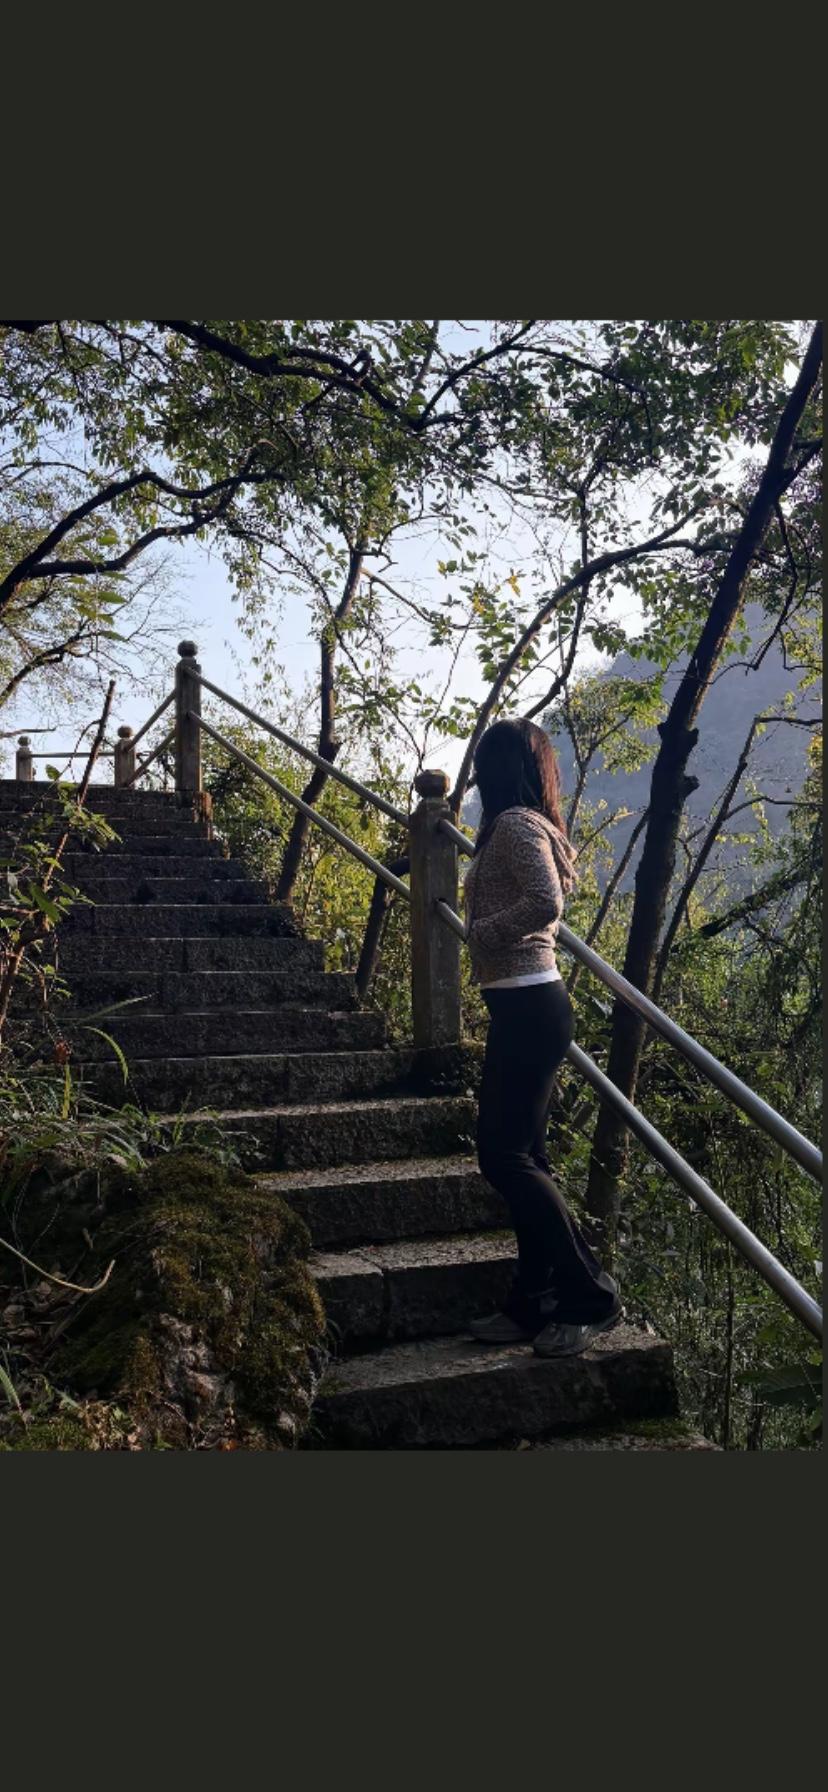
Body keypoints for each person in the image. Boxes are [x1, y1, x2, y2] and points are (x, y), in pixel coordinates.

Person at [463, 717, 622, 1357]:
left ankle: (590, 1295)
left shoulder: (514, 825)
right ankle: (533, 1299)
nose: (476, 772)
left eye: (484, 760)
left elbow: (545, 900)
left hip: (530, 1005)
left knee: (502, 1157)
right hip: (524, 1007)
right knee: (527, 1156)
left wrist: (483, 933)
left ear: (501, 769)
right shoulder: (518, 825)